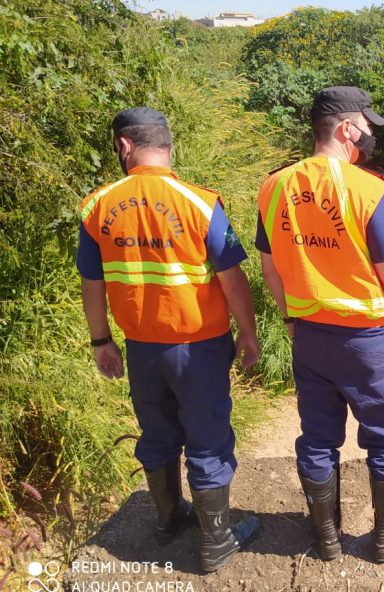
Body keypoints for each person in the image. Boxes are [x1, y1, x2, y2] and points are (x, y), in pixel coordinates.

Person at [77, 107, 260, 573]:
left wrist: (102, 340)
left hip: (140, 347)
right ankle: (216, 541)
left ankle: (167, 519)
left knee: (157, 432)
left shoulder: (98, 206)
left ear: (124, 146)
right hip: (198, 347)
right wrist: (249, 334)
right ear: (167, 145)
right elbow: (233, 282)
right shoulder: (198, 203)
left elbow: (92, 283)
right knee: (207, 437)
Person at [255, 86, 384, 563]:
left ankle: (326, 539)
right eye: (366, 128)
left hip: (310, 334)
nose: (370, 136)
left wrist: (292, 316)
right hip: (368, 339)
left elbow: (270, 267)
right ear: (345, 129)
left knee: (317, 437)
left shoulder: (273, 186)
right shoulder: (371, 190)